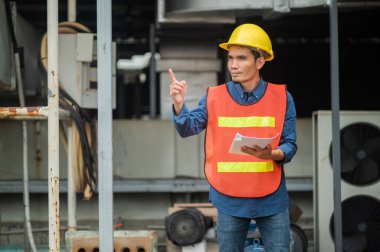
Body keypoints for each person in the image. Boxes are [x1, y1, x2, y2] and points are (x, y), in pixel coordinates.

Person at [169, 23, 297, 252]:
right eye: (230, 59)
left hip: (271, 198)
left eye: (241, 59)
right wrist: (179, 105)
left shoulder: (282, 97)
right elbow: (188, 127)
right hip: (229, 198)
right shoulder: (213, 97)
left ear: (260, 62)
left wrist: (274, 154)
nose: (233, 66)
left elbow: (290, 144)